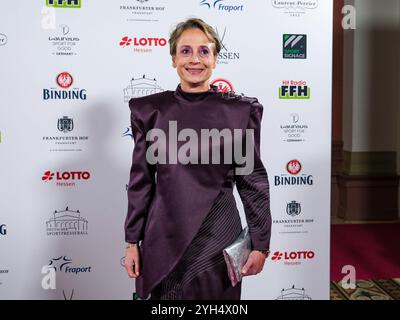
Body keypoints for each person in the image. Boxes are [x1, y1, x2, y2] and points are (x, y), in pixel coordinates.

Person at [124, 18, 271, 300]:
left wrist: (260, 244)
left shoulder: (239, 113)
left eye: (204, 51)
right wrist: (132, 241)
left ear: (215, 59)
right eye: (186, 51)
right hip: (163, 236)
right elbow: (141, 183)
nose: (195, 60)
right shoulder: (151, 111)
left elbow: (252, 182)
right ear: (173, 59)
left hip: (218, 236)